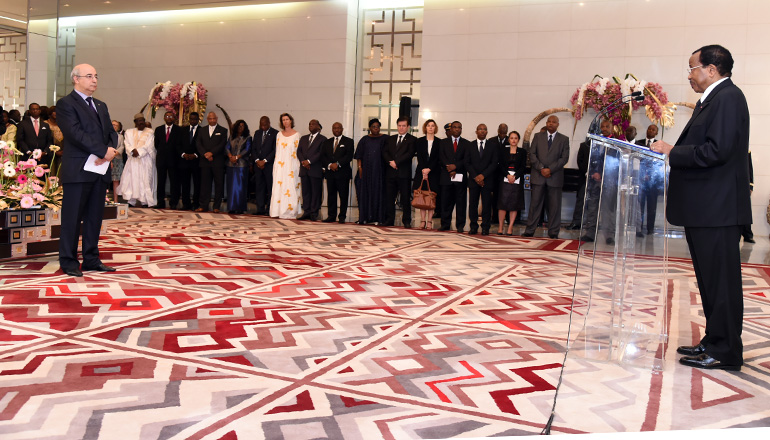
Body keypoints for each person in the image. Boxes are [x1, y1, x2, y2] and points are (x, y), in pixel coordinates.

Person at [651, 44, 750, 371]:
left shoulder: (728, 98)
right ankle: (714, 340)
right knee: (710, 282)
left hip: (717, 210)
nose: (690, 74)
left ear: (711, 69)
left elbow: (716, 151)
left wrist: (671, 151)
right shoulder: (716, 99)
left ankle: (725, 351)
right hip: (707, 209)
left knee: (721, 284)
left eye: (693, 67)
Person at [56, 63, 119, 277]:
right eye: (89, 76)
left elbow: (111, 131)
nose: (94, 80)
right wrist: (102, 152)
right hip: (78, 170)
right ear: (76, 79)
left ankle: (91, 259)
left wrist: (110, 150)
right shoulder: (65, 104)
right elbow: (74, 133)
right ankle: (68, 261)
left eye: (96, 76)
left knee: (94, 218)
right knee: (72, 218)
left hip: (99, 170)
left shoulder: (100, 105)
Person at [522, 115, 570, 239]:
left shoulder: (564, 139)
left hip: (555, 177)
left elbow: (564, 158)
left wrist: (550, 169)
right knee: (534, 205)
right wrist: (541, 168)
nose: (551, 123)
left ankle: (553, 232)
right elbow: (532, 154)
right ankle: (530, 230)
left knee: (554, 207)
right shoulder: (538, 137)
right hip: (538, 176)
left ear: (557, 124)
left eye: (554, 122)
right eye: (549, 121)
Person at [382, 116, 417, 228]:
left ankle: (406, 220)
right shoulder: (390, 139)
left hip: (403, 173)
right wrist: (390, 162)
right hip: (390, 173)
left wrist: (396, 162)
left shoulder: (412, 139)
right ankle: (389, 219)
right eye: (399, 126)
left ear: (408, 127)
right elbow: (385, 152)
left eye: (403, 126)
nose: (401, 128)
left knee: (405, 198)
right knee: (389, 198)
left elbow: (409, 154)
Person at [465, 123, 498, 235]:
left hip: (487, 180)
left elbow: (494, 163)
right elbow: (467, 163)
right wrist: (476, 176)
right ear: (476, 132)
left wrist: (483, 176)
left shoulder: (492, 146)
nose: (482, 131)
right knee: (473, 204)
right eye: (480, 129)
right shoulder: (470, 145)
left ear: (487, 132)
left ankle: (485, 227)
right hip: (474, 180)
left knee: (487, 205)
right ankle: (473, 226)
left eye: (485, 129)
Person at [118, 113, 156, 207]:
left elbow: (149, 145)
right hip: (133, 160)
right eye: (139, 121)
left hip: (145, 159)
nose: (141, 122)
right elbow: (127, 143)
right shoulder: (129, 132)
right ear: (135, 122)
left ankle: (145, 201)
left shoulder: (150, 132)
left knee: (145, 180)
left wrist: (138, 152)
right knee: (132, 180)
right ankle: (131, 201)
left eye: (142, 120)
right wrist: (132, 151)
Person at [354, 118, 387, 225]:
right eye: (373, 126)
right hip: (366, 172)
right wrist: (360, 168)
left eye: (377, 126)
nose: (376, 128)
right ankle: (364, 217)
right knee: (364, 193)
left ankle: (378, 217)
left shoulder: (385, 138)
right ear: (369, 128)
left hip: (379, 172)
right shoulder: (364, 139)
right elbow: (359, 155)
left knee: (378, 194)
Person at [439, 121, 470, 232]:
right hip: (446, 176)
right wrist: (449, 168)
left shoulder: (467, 143)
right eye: (455, 127)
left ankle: (460, 225)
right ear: (450, 129)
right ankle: (445, 224)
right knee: (445, 202)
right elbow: (441, 157)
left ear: (461, 129)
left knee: (461, 203)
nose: (457, 129)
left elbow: (466, 160)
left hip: (460, 177)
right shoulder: (443, 142)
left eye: (459, 127)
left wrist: (455, 167)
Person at [270, 113, 302, 219]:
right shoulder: (279, 134)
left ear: (291, 121)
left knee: (291, 187)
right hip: (280, 165)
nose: (285, 121)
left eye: (287, 119)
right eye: (283, 120)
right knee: (278, 187)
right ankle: (277, 210)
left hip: (291, 165)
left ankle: (290, 211)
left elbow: (298, 151)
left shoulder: (297, 134)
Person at [321, 122, 354, 223]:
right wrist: (330, 165)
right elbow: (323, 156)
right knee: (331, 195)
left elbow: (349, 156)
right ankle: (331, 216)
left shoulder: (348, 141)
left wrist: (338, 164)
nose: (336, 130)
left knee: (343, 196)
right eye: (334, 128)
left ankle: (342, 216)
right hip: (330, 173)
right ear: (332, 129)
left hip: (343, 173)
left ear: (342, 129)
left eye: (338, 128)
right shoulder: (327, 142)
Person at [196, 111, 228, 213]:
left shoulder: (223, 130)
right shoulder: (202, 130)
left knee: (219, 184)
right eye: (210, 119)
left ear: (217, 119)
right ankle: (203, 205)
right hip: (205, 161)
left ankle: (216, 206)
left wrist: (211, 153)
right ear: (207, 119)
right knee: (205, 185)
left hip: (217, 161)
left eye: (214, 119)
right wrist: (205, 154)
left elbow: (222, 144)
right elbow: (198, 143)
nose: (212, 120)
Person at [412, 119, 441, 229]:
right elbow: (419, 156)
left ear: (435, 128)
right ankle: (422, 220)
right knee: (421, 196)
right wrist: (424, 170)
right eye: (428, 125)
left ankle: (429, 221)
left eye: (432, 126)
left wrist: (429, 169)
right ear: (425, 128)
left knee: (431, 197)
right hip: (421, 172)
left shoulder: (439, 142)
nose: (430, 127)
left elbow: (438, 158)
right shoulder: (419, 141)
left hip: (433, 173)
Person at [497, 131, 527, 236]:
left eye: (515, 138)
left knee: (514, 204)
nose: (513, 140)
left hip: (516, 180)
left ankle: (510, 227)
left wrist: (515, 176)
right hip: (505, 180)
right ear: (508, 139)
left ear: (518, 140)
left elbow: (523, 166)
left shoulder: (522, 151)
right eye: (511, 138)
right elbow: (500, 165)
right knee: (503, 204)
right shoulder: (503, 150)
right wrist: (507, 175)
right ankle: (500, 227)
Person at [297, 119, 326, 221]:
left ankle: (314, 213)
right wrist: (304, 162)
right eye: (310, 124)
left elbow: (320, 153)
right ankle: (307, 212)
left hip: (315, 169)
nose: (311, 126)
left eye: (313, 124)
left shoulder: (323, 139)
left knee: (315, 192)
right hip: (304, 170)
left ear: (319, 127)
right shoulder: (303, 138)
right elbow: (299, 151)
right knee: (306, 192)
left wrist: (309, 161)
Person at [154, 111, 183, 209]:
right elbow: (156, 144)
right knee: (161, 181)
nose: (169, 118)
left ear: (174, 118)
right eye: (167, 116)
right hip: (161, 160)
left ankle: (173, 202)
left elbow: (180, 145)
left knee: (174, 182)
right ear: (164, 118)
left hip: (174, 160)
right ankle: (160, 202)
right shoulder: (158, 129)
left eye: (171, 116)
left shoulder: (179, 130)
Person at [636, 124, 661, 235]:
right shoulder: (638, 143)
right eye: (649, 128)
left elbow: (659, 163)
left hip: (652, 182)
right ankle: (639, 227)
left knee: (652, 206)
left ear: (656, 133)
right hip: (640, 180)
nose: (650, 130)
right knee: (639, 205)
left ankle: (650, 229)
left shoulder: (659, 144)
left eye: (653, 130)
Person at [251, 116, 278, 215]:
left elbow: (275, 150)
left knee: (270, 188)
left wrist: (265, 161)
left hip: (269, 165)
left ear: (269, 123)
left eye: (265, 125)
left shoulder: (275, 133)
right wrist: (257, 160)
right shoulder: (257, 133)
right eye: (261, 125)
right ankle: (260, 208)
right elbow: (253, 148)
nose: (263, 127)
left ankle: (269, 209)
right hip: (258, 166)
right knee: (259, 187)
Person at [225, 119, 251, 214]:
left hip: (241, 165)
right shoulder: (231, 137)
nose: (240, 128)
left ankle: (240, 207)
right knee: (231, 187)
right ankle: (231, 207)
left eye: (242, 126)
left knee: (240, 187)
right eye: (239, 126)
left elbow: (247, 150)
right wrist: (230, 156)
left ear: (245, 128)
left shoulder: (247, 137)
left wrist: (237, 157)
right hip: (230, 164)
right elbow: (227, 147)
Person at [178, 112, 201, 211]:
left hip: (196, 161)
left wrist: (195, 154)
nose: (193, 121)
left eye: (195, 119)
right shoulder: (182, 130)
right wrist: (183, 154)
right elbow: (177, 144)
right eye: (191, 119)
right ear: (189, 119)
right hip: (184, 161)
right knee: (185, 184)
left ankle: (196, 203)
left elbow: (204, 145)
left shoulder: (202, 130)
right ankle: (186, 204)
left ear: (198, 120)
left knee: (197, 184)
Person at [110, 120, 125, 202]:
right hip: (107, 159)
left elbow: (121, 147)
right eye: (112, 124)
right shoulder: (105, 135)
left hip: (117, 159)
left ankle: (116, 200)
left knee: (116, 180)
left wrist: (113, 154)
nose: (114, 126)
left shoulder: (121, 137)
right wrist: (109, 158)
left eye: (116, 125)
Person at [742, 150, 755, 243]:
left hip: (743, 185)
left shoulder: (746, 149)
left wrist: (750, 185)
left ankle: (747, 234)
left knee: (745, 210)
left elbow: (749, 168)